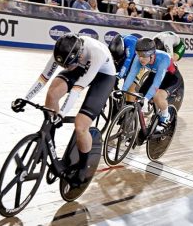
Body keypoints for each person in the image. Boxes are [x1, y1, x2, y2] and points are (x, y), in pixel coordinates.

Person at [12, 34, 116, 185]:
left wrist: (62, 113)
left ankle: (82, 168)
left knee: (81, 126)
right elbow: (43, 78)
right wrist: (26, 98)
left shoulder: (95, 53)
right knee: (53, 93)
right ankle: (49, 142)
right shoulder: (62, 52)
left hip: (103, 76)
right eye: (64, 66)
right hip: (80, 66)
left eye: (68, 65)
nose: (67, 69)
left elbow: (76, 89)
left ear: (79, 54)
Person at [122, 38, 183, 133]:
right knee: (139, 96)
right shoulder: (139, 58)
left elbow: (157, 82)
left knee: (157, 96)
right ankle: (141, 124)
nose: (140, 58)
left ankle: (165, 117)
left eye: (143, 56)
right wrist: (123, 90)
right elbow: (131, 75)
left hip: (171, 78)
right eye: (138, 55)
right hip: (155, 74)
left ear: (152, 55)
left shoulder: (164, 58)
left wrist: (147, 98)